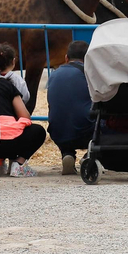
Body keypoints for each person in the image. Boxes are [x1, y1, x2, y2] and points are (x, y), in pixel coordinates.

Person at [0, 50, 46, 173]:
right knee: (38, 131)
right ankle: (18, 163)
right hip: (13, 141)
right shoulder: (5, 84)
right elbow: (25, 116)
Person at [45, 39, 93, 173]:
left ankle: (67, 154)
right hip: (85, 132)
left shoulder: (54, 75)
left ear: (66, 58)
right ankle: (89, 155)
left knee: (65, 117)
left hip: (58, 132)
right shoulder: (89, 74)